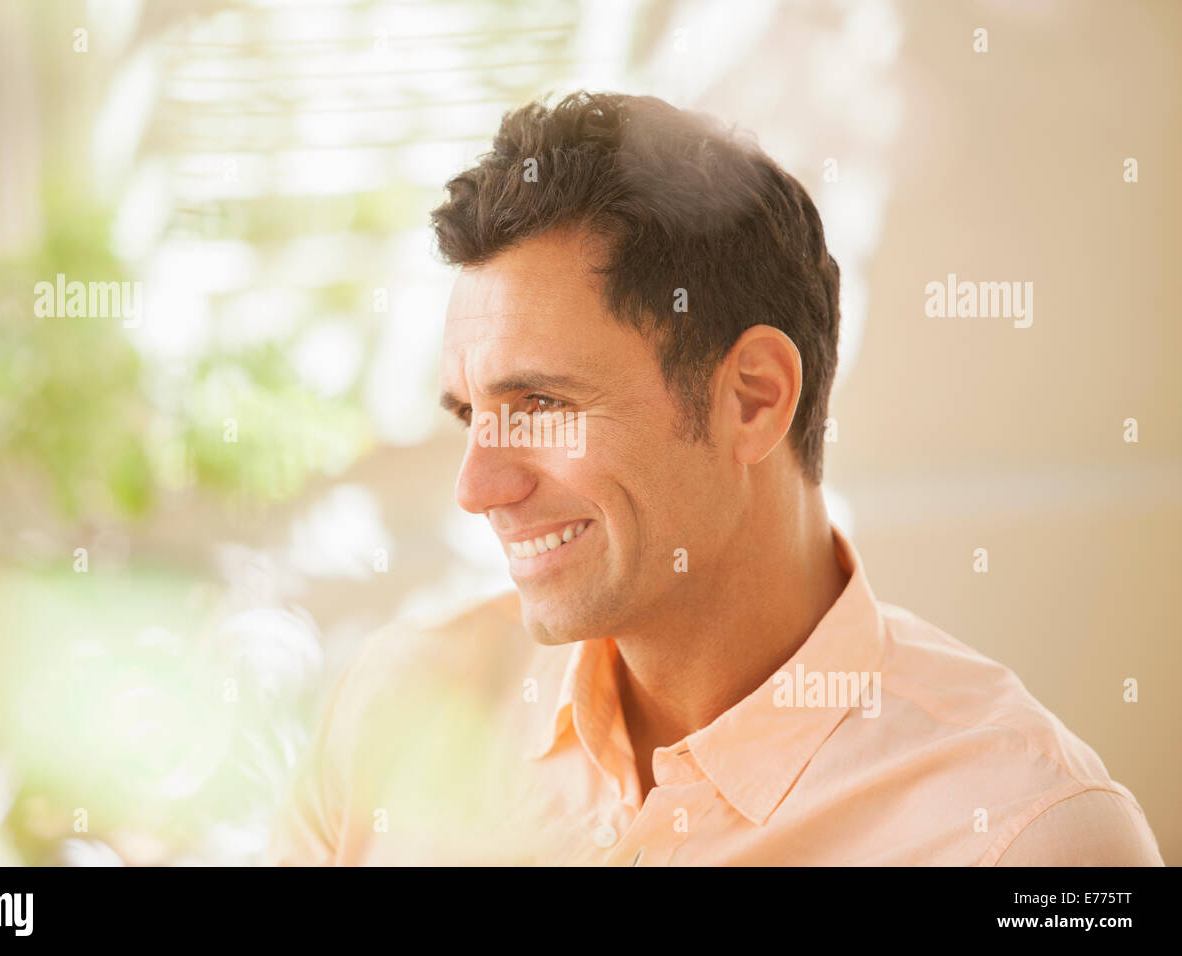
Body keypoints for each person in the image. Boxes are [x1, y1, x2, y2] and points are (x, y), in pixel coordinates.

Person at [269, 91, 1163, 866]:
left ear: (753, 399)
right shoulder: (396, 708)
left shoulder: (1028, 836)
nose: (477, 486)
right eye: (470, 414)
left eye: (539, 404)